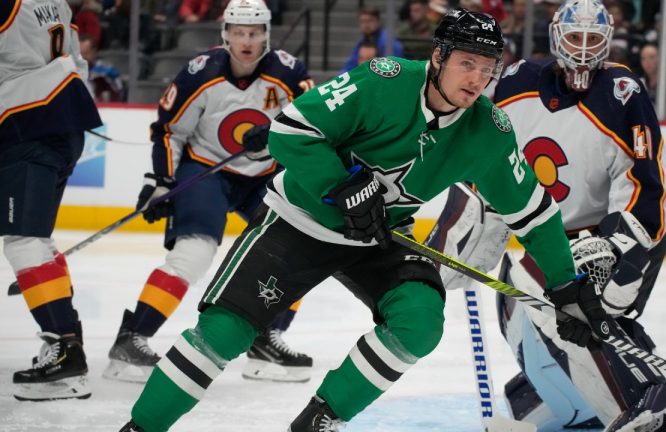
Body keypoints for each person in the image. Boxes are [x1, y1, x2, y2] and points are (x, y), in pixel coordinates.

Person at [120, 9, 611, 432]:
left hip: (380, 234)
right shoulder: (385, 78)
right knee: (223, 333)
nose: (477, 80)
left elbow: (534, 213)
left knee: (419, 321)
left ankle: (321, 418)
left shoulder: (489, 130)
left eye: (487, 69)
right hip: (300, 221)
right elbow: (289, 131)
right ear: (438, 57)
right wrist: (341, 184)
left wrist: (566, 287)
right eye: (466, 64)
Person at [428, 0, 666, 431]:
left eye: (592, 39)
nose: (583, 50)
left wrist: (618, 249)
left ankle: (648, 405)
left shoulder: (622, 93)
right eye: (574, 38)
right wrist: (441, 258)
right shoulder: (516, 83)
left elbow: (650, 188)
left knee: (553, 288)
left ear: (607, 42)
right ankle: (567, 411)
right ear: (556, 38)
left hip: (613, 239)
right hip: (545, 239)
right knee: (516, 302)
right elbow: (482, 168)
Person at [103, 0, 316, 385]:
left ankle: (267, 338)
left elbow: (313, 123)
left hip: (262, 177)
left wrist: (276, 133)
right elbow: (170, 131)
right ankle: (132, 339)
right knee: (194, 254)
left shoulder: (288, 72)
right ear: (225, 34)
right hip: (206, 171)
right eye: (239, 32)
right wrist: (162, 181)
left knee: (297, 248)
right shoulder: (200, 74)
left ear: (267, 34)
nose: (247, 41)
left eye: (254, 33)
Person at [0, 0, 102, 400]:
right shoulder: (54, 1)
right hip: (61, 119)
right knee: (36, 239)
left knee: (24, 240)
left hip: (26, 123)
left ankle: (63, 347)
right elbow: (78, 60)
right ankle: (66, 346)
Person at [340, 6, 404, 73]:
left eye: (370, 21)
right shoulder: (361, 41)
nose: (366, 25)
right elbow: (350, 66)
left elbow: (394, 70)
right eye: (362, 21)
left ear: (378, 22)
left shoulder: (389, 43)